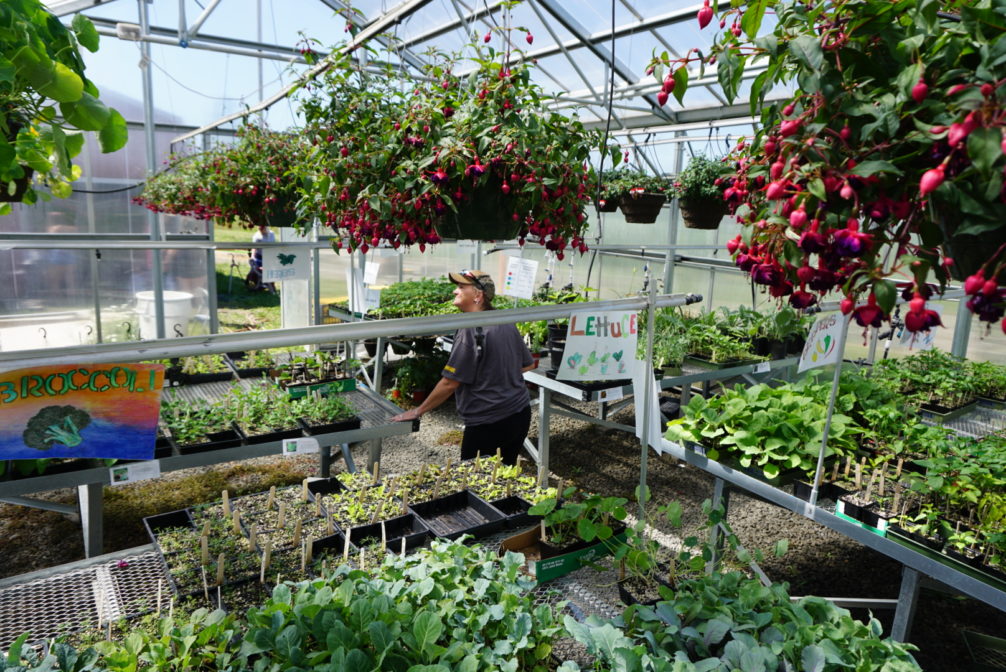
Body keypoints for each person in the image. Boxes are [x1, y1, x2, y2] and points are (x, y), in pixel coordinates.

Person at [390, 270, 537, 465]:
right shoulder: (505, 320)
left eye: (461, 287)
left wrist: (418, 411)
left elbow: (450, 382)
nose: (454, 291)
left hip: (489, 424)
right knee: (504, 478)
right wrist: (496, 375)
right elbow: (527, 365)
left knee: (475, 485)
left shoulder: (471, 329)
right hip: (519, 414)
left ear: (478, 295)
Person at [248, 223, 276, 292]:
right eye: (259, 228)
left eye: (262, 228)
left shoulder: (272, 234)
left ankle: (271, 285)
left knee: (270, 271)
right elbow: (254, 248)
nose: (261, 230)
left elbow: (273, 247)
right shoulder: (256, 236)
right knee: (256, 271)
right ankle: (258, 285)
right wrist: (252, 258)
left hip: (269, 257)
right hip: (259, 257)